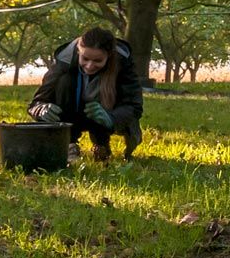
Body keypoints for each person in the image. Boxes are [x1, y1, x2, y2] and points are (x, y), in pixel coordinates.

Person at [29, 26, 144, 162]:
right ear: (78, 52)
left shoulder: (123, 64)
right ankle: (69, 144)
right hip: (71, 116)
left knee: (111, 102)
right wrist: (42, 109)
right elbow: (36, 102)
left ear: (109, 56)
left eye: (97, 61)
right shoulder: (63, 62)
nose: (89, 66)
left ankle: (101, 144)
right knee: (64, 81)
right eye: (85, 58)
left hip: (107, 115)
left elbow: (134, 106)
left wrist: (111, 118)